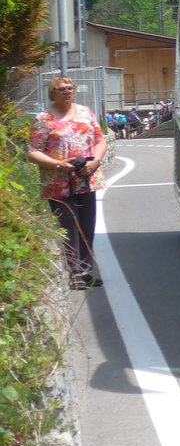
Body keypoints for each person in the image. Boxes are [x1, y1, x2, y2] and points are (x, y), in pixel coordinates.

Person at [27, 75, 106, 289]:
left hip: (86, 179)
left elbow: (100, 140)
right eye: (62, 88)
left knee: (87, 226)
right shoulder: (44, 119)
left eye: (70, 87)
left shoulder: (85, 113)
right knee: (68, 227)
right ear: (53, 92)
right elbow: (33, 152)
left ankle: (85, 271)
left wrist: (96, 161)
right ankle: (74, 274)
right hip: (58, 182)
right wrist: (59, 164)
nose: (67, 91)